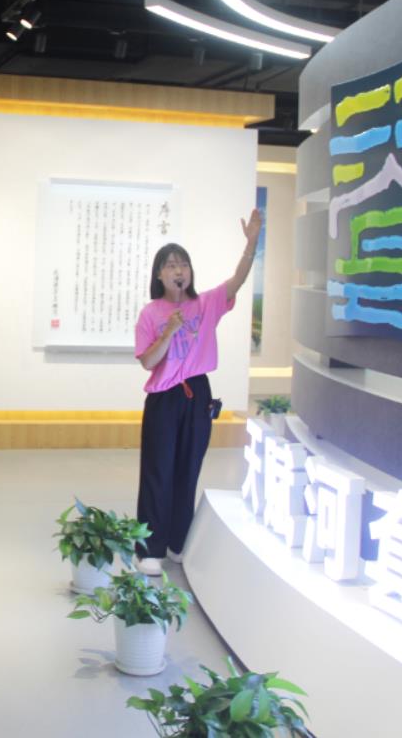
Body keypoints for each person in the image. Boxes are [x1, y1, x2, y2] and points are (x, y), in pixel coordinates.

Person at [132, 209, 263, 576]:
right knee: (158, 471)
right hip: (164, 398)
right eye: (171, 265)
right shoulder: (150, 313)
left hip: (198, 394)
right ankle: (149, 548)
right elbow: (148, 361)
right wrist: (168, 332)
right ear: (159, 275)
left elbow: (237, 281)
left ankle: (178, 542)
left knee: (188, 468)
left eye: (183, 264)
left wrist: (251, 244)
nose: (179, 270)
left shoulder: (206, 304)